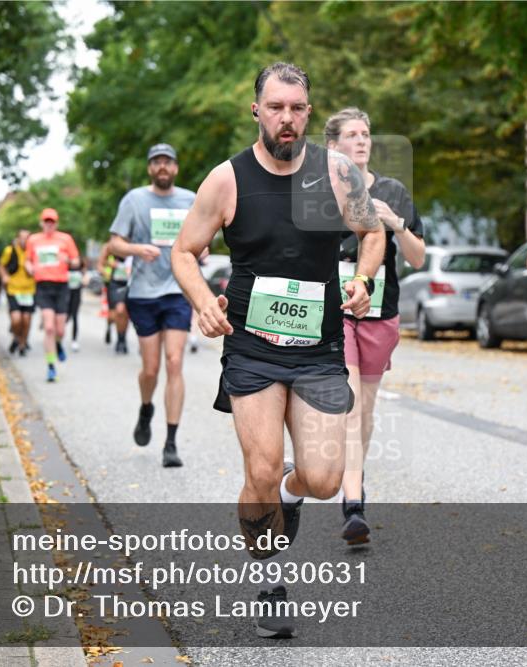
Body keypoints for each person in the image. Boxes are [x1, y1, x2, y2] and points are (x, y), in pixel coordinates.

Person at [171, 62, 384, 638]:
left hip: (318, 349)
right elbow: (185, 251)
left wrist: (362, 280)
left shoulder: (337, 174)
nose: (286, 118)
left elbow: (372, 233)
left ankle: (292, 490)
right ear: (256, 110)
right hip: (251, 349)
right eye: (276, 107)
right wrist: (201, 301)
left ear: (308, 113)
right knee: (258, 468)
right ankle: (270, 583)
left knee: (322, 479)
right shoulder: (227, 180)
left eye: (296, 108)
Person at [324, 107, 426, 544]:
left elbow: (419, 257)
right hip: (335, 306)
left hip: (381, 309)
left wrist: (396, 224)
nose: (362, 141)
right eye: (352, 134)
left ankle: (351, 477)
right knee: (348, 402)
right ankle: (353, 504)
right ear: (334, 146)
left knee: (364, 409)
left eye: (366, 134)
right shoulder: (320, 191)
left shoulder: (393, 192)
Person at [109, 143, 196, 466]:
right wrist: (137, 249)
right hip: (143, 293)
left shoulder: (191, 200)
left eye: (168, 162)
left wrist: (197, 250)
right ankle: (146, 408)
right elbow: (115, 242)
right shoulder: (134, 200)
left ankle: (171, 443)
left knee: (175, 362)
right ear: (150, 168)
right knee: (151, 370)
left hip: (177, 291)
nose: (162, 167)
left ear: (175, 168)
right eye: (157, 162)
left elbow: (201, 238)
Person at [25, 209, 80, 382]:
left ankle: (58, 343)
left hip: (61, 286)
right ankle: (51, 366)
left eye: (52, 222)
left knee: (61, 330)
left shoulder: (66, 239)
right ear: (41, 223)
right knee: (49, 327)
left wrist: (68, 260)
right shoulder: (33, 240)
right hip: (43, 286)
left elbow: (77, 260)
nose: (49, 224)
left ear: (56, 223)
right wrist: (29, 267)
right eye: (46, 221)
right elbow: (27, 259)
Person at [0, 229, 37, 356]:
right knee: (16, 319)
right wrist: (4, 276)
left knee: (26, 319)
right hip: (13, 289)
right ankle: (16, 336)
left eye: (27, 238)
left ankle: (22, 343)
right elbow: (1, 265)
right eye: (22, 237)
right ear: (17, 238)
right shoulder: (9, 251)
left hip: (29, 290)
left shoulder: (33, 252)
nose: (25, 240)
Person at [98, 241, 131, 354]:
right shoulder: (109, 246)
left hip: (131, 283)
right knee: (116, 312)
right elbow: (100, 265)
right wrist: (109, 267)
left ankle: (122, 339)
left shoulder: (137, 243)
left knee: (125, 313)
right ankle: (111, 328)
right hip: (114, 284)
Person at [67, 257, 86, 352]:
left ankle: (74, 340)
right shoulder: (65, 269)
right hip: (65, 296)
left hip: (76, 296)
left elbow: (85, 282)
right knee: (65, 318)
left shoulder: (81, 271)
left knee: (75, 317)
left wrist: (84, 279)